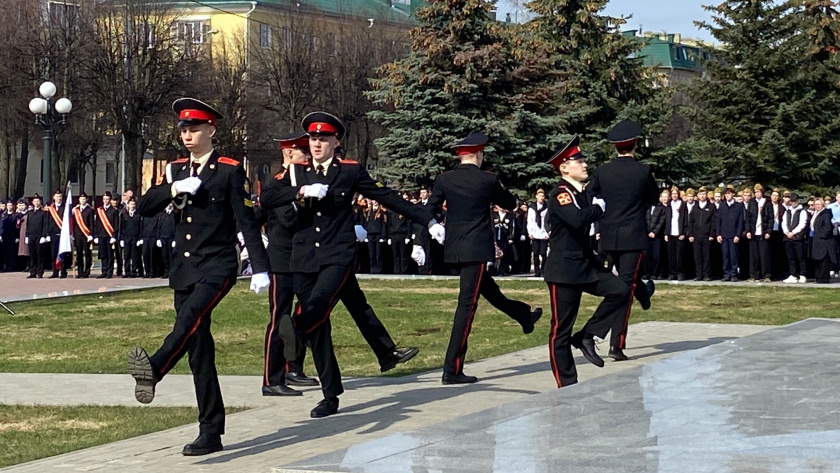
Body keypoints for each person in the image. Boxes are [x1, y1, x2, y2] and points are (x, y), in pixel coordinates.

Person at [259, 111, 430, 417]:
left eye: (323, 139)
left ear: (335, 141)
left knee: (319, 305)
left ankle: (294, 333)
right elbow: (268, 198)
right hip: (304, 257)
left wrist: (427, 220)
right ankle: (330, 394)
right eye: (313, 139)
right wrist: (298, 193)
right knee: (320, 328)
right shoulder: (296, 171)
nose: (317, 144)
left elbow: (386, 196)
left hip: (337, 254)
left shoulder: (349, 171)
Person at [128, 98, 271, 456]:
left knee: (189, 320)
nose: (187, 135)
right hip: (184, 269)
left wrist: (261, 265)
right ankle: (211, 430)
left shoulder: (228, 171)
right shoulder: (175, 169)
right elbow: (144, 208)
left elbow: (246, 221)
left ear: (211, 131)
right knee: (198, 349)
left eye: (193, 129)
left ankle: (155, 368)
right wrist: (173, 189)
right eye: (183, 129)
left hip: (216, 265)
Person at [426, 131, 542, 384]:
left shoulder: (445, 180)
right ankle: (452, 368)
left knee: (490, 290)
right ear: (479, 154)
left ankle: (524, 315)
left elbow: (430, 208)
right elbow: (510, 203)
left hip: (455, 248)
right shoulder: (488, 180)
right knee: (467, 307)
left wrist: (432, 226)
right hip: (476, 249)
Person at [542, 136, 630, 387]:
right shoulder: (561, 194)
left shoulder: (580, 193)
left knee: (620, 291)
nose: (584, 164)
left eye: (583, 160)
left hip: (585, 266)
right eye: (578, 161)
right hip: (564, 271)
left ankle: (588, 335)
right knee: (561, 329)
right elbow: (577, 219)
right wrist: (599, 208)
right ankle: (566, 383)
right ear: (564, 167)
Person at [587, 119, 659, 362]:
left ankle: (644, 291)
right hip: (632, 236)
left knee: (627, 280)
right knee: (624, 289)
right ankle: (616, 344)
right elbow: (654, 198)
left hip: (609, 235)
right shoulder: (642, 171)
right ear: (635, 145)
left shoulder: (602, 171)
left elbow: (591, 195)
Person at [258, 131, 318, 396]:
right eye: (305, 154)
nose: (309, 160)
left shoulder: (304, 180)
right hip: (283, 260)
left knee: (305, 314)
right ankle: (272, 379)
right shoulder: (279, 184)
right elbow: (289, 219)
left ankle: (294, 367)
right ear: (290, 154)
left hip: (303, 259)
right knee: (279, 318)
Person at [717, 185, 744, 282]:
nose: (727, 196)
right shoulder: (722, 205)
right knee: (725, 255)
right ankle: (726, 274)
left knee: (733, 255)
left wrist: (738, 235)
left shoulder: (738, 206)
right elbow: (718, 221)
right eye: (726, 194)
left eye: (729, 194)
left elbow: (740, 222)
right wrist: (718, 234)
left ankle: (733, 274)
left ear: (733, 194)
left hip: (733, 235)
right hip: (724, 235)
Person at [688, 186, 716, 281]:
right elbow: (691, 221)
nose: (702, 196)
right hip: (696, 236)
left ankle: (707, 275)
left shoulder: (711, 207)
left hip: (707, 236)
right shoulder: (695, 207)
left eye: (704, 194)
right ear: (698, 195)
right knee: (697, 257)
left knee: (707, 257)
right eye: (700, 194)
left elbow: (713, 222)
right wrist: (691, 234)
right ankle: (699, 275)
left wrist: (712, 234)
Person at [746, 184, 773, 282]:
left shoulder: (767, 203)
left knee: (764, 255)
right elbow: (748, 218)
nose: (757, 194)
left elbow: (771, 219)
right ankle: (754, 275)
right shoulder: (751, 202)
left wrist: (768, 232)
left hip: (763, 232)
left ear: (762, 192)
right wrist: (748, 231)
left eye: (758, 192)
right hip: (754, 233)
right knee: (754, 256)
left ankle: (766, 275)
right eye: (755, 192)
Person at [782, 193, 809, 284]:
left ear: (798, 201)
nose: (793, 203)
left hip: (798, 238)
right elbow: (784, 223)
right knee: (791, 257)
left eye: (794, 201)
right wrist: (787, 232)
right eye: (791, 201)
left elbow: (802, 224)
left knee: (800, 257)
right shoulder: (787, 211)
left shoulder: (802, 211)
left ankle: (802, 274)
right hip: (788, 238)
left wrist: (793, 232)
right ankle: (793, 274)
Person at [664, 185, 688, 281]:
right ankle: (672, 273)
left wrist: (684, 233)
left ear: (678, 195)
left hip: (679, 233)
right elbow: (666, 220)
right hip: (670, 233)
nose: (674, 195)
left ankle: (680, 272)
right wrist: (666, 233)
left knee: (680, 255)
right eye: (672, 194)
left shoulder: (682, 205)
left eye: (676, 194)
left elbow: (686, 219)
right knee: (671, 255)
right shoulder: (669, 205)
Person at [45, 189, 69, 278]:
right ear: (54, 198)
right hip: (53, 234)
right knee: (53, 254)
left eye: (60, 197)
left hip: (63, 234)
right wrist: (47, 234)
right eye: (57, 196)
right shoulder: (50, 209)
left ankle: (63, 272)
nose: (59, 198)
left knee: (63, 253)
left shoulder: (65, 208)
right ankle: (55, 271)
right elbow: (47, 222)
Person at [811, 198, 836, 283]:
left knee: (824, 260)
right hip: (817, 241)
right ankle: (819, 277)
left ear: (822, 205)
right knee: (818, 260)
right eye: (816, 204)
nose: (817, 206)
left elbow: (828, 228)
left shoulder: (825, 214)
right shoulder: (816, 213)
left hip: (824, 242)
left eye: (819, 204)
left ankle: (823, 278)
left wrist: (821, 236)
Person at [643, 190, 667, 280]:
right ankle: (646, 273)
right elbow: (644, 220)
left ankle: (654, 273)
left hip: (657, 236)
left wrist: (654, 232)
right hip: (647, 235)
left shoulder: (661, 208)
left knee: (656, 256)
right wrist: (647, 232)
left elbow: (662, 221)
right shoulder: (647, 207)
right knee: (646, 255)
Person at [94, 192, 119, 278]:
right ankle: (103, 271)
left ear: (110, 200)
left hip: (109, 236)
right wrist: (96, 236)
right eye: (104, 199)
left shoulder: (114, 211)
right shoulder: (99, 210)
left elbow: (116, 225)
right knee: (103, 254)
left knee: (110, 255)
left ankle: (109, 272)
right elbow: (97, 223)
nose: (106, 201)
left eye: (107, 199)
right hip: (101, 235)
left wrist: (114, 236)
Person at [527, 189, 550, 277]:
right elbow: (530, 221)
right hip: (535, 232)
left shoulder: (547, 207)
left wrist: (548, 232)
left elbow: (548, 220)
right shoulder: (532, 207)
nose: (541, 198)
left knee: (543, 253)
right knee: (536, 253)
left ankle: (543, 270)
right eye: (540, 196)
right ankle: (537, 271)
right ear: (536, 196)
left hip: (544, 232)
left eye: (543, 196)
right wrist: (530, 232)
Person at [72, 192, 94, 278]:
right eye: (81, 199)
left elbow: (91, 223)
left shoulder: (90, 210)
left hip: (86, 234)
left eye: (84, 199)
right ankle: (80, 272)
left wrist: (91, 234)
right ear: (79, 200)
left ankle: (87, 271)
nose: (83, 200)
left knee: (87, 253)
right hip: (77, 234)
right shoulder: (76, 210)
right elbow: (73, 222)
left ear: (86, 200)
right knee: (79, 254)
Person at [25, 194, 48, 279]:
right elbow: (28, 225)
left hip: (39, 236)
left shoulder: (43, 212)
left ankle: (40, 272)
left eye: (38, 201)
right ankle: (32, 272)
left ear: (40, 202)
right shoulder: (30, 213)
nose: (36, 203)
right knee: (32, 255)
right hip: (31, 236)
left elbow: (45, 225)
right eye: (35, 201)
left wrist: (44, 235)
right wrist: (26, 235)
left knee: (39, 255)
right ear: (32, 202)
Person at [120, 197, 142, 278]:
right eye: (131, 204)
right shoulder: (124, 215)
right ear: (128, 205)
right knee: (126, 256)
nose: (132, 206)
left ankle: (134, 271)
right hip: (126, 238)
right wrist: (121, 238)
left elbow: (140, 227)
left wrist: (140, 238)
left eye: (133, 204)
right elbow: (122, 227)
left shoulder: (138, 215)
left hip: (135, 238)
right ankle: (127, 271)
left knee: (134, 256)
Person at [156, 203, 176, 278]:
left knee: (171, 256)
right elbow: (158, 227)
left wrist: (175, 239)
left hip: (171, 238)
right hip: (163, 238)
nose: (169, 205)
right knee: (164, 256)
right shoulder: (162, 215)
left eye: (170, 203)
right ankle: (166, 272)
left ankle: (172, 272)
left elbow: (177, 227)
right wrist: (158, 238)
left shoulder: (174, 214)